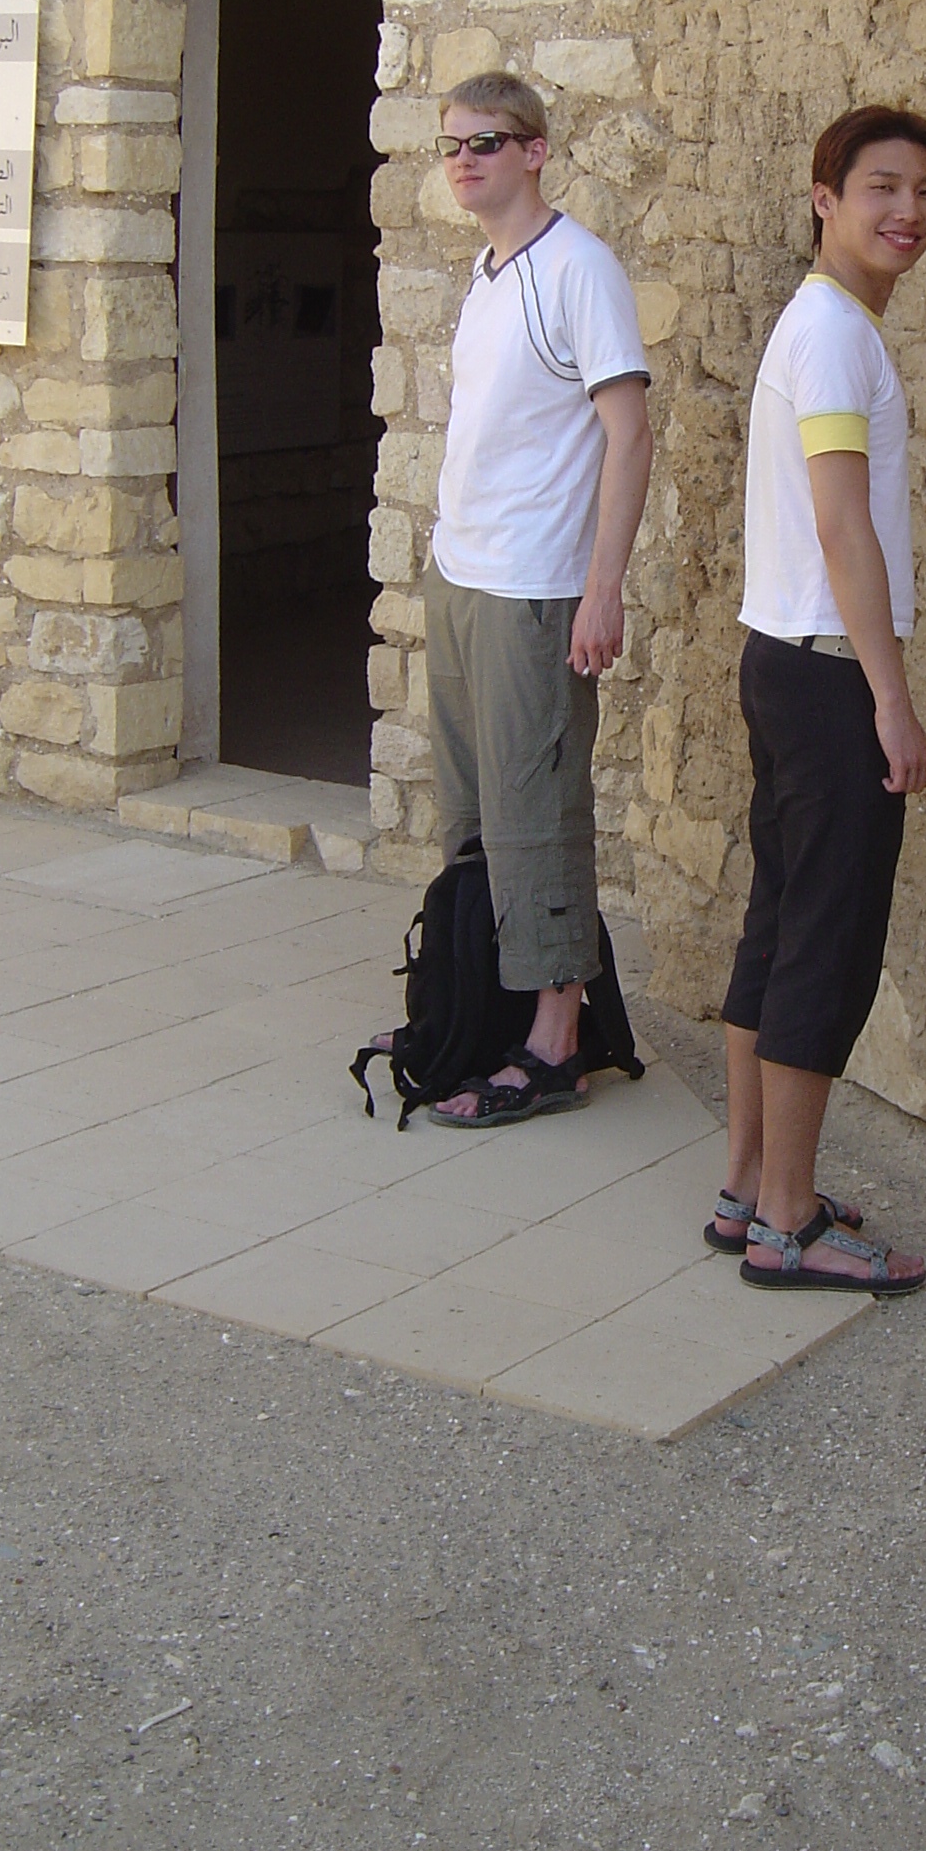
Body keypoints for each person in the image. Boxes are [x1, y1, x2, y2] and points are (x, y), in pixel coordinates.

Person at [713, 103, 926, 1290]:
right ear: (826, 199)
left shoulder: (827, 325)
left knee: (779, 926)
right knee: (828, 942)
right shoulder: (834, 335)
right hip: (827, 674)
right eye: (882, 188)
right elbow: (842, 522)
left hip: (786, 657)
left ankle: (750, 1189)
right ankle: (790, 1222)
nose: (908, 212)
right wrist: (891, 702)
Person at [417, 72, 653, 1126]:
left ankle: (558, 1042)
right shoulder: (487, 272)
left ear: (535, 151)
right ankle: (486, 1009)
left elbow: (629, 433)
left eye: (487, 142)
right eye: (453, 145)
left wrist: (603, 590)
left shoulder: (578, 269)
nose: (465, 161)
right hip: (463, 575)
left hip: (537, 590)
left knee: (538, 814)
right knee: (475, 812)